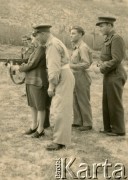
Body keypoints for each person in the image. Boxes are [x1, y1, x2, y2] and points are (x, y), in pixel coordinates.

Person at [32, 24, 75, 150]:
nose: (37, 39)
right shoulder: (54, 42)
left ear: (43, 34)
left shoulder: (52, 46)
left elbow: (54, 69)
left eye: (37, 35)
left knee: (60, 108)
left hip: (62, 76)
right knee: (60, 107)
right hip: (64, 74)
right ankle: (60, 138)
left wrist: (51, 86)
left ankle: (59, 141)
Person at [12, 35, 50, 138]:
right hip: (31, 80)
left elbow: (32, 64)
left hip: (38, 80)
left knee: (40, 106)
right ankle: (34, 126)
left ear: (37, 38)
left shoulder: (41, 49)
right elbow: (29, 61)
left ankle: (40, 129)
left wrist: (18, 68)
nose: (31, 41)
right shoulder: (37, 49)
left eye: (32, 39)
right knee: (32, 104)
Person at [96, 17, 127, 136]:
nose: (100, 28)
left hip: (115, 74)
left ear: (110, 25)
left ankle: (118, 130)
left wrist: (102, 67)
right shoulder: (108, 39)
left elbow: (117, 59)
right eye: (99, 26)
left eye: (102, 25)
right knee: (107, 101)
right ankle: (108, 128)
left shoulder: (116, 38)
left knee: (114, 102)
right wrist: (101, 63)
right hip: (110, 74)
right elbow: (106, 57)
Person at [70, 26, 93, 131]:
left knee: (83, 99)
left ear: (80, 34)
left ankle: (87, 123)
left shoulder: (82, 47)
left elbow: (86, 63)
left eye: (74, 33)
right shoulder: (76, 47)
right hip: (75, 76)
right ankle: (78, 121)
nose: (71, 35)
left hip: (82, 76)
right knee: (75, 98)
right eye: (71, 33)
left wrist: (71, 66)